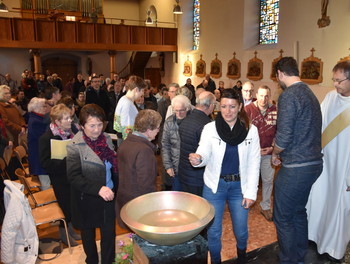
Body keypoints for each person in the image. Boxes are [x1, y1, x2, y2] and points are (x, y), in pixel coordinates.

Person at [189, 89, 260, 264]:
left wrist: (251, 193)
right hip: (215, 186)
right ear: (218, 107)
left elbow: (254, 162)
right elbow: (204, 151)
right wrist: (198, 159)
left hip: (239, 187)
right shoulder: (210, 128)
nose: (228, 111)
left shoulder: (251, 131)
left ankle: (242, 258)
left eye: (232, 106)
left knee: (241, 229)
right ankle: (215, 261)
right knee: (213, 231)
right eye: (224, 106)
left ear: (240, 107)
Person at [271, 57, 323, 264]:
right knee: (298, 212)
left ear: (280, 73)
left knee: (283, 217)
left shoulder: (289, 95)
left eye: (277, 76)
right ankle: (299, 254)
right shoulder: (310, 93)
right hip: (313, 163)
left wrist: (275, 152)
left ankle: (289, 260)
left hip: (296, 167)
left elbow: (284, 137)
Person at [307, 60, 350, 261]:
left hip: (345, 168)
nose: (335, 84)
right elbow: (318, 124)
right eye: (333, 80)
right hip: (324, 161)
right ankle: (314, 237)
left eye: (339, 80)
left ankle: (333, 248)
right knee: (319, 199)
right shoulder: (331, 98)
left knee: (338, 206)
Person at [67, 104, 118, 264]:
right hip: (87, 198)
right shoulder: (75, 146)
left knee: (109, 234)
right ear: (82, 126)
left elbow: (112, 164)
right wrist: (98, 188)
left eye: (100, 124)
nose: (97, 130)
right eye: (92, 125)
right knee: (88, 235)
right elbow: (74, 176)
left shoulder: (107, 139)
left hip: (108, 194)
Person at [39, 103, 81, 246]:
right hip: (60, 179)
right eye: (66, 119)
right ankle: (64, 234)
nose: (70, 120)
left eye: (70, 117)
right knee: (65, 207)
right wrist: (65, 161)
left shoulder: (71, 134)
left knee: (73, 204)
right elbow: (45, 164)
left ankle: (71, 229)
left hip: (72, 176)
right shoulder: (47, 138)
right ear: (57, 122)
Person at [116, 109, 162, 225]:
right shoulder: (144, 150)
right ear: (148, 130)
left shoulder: (125, 143)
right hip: (138, 206)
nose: (158, 131)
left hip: (124, 200)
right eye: (157, 128)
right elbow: (146, 184)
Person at [245, 85, 277, 221]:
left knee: (268, 180)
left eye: (266, 96)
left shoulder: (275, 110)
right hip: (251, 153)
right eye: (261, 95)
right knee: (247, 180)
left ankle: (265, 206)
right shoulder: (248, 110)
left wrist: (273, 148)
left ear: (269, 96)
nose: (264, 99)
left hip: (268, 152)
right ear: (256, 95)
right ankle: (244, 203)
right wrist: (253, 149)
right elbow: (242, 132)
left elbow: (279, 131)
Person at [178, 91, 216, 196]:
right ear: (211, 105)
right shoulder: (206, 125)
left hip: (184, 172)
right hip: (197, 176)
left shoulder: (186, 119)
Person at [161, 95, 192, 191]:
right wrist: (168, 166)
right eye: (176, 110)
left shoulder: (192, 121)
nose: (178, 113)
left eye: (181, 110)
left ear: (187, 108)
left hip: (190, 167)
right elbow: (165, 145)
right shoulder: (169, 121)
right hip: (175, 167)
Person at [27, 97, 51, 190]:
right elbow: (44, 138)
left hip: (40, 155)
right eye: (43, 106)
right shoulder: (35, 121)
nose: (46, 108)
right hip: (38, 157)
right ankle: (47, 202)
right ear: (36, 108)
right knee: (46, 183)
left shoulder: (38, 118)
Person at [114, 76, 146, 141]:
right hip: (127, 141)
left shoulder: (123, 98)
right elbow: (127, 130)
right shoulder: (127, 104)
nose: (142, 93)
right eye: (142, 91)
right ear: (136, 90)